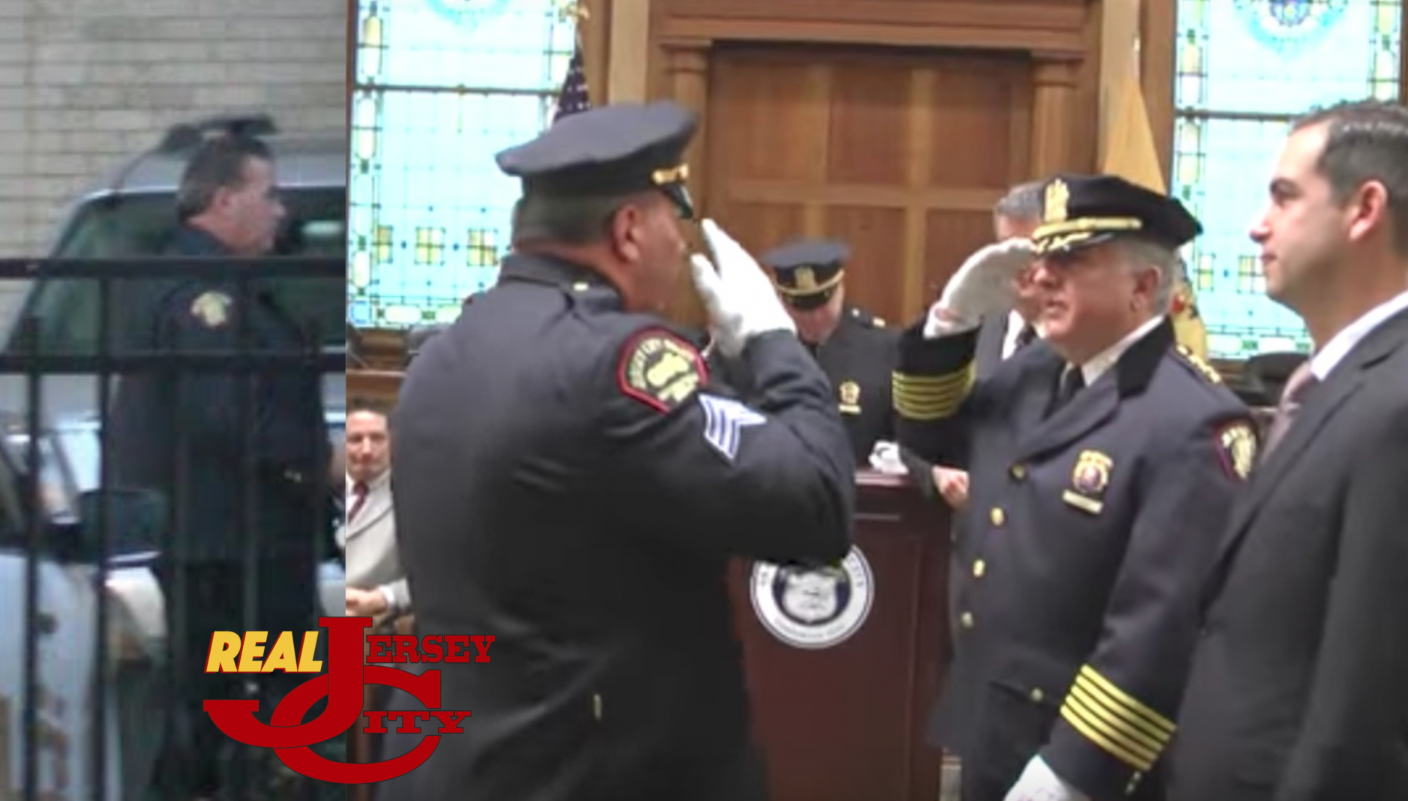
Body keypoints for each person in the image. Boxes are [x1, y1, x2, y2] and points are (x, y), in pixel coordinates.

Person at [390, 100, 856, 801]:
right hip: (591, 772)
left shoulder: (444, 352)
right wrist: (774, 344)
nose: (681, 245)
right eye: (677, 219)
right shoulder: (616, 365)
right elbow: (814, 504)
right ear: (629, 230)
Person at [893, 174, 1256, 801]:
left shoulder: (1191, 422)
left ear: (1144, 288)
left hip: (1086, 752)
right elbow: (929, 435)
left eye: (1073, 261)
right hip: (993, 718)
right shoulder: (1038, 371)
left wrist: (1073, 773)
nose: (1040, 279)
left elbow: (1158, 630)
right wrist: (951, 323)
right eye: (1044, 260)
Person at [1168, 99, 1408, 801]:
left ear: (1364, 209)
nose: (1256, 225)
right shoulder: (1338, 384)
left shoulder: (1396, 402)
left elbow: (1362, 697)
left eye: (1284, 196)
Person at [107, 133, 330, 799]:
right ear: (224, 198)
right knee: (237, 699)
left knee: (238, 698)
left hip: (244, 543)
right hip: (229, 550)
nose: (281, 211)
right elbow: (226, 410)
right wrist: (315, 463)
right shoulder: (205, 295)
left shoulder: (218, 282)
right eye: (269, 194)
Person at [758, 237, 897, 465]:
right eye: (799, 307)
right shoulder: (759, 349)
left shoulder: (883, 349)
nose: (813, 318)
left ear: (840, 288)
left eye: (822, 305)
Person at [341, 404, 406, 620]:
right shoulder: (319, 490)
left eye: (377, 439)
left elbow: (437, 577)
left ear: (392, 443)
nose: (367, 450)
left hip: (371, 623)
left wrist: (383, 597)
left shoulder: (415, 497)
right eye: (356, 439)